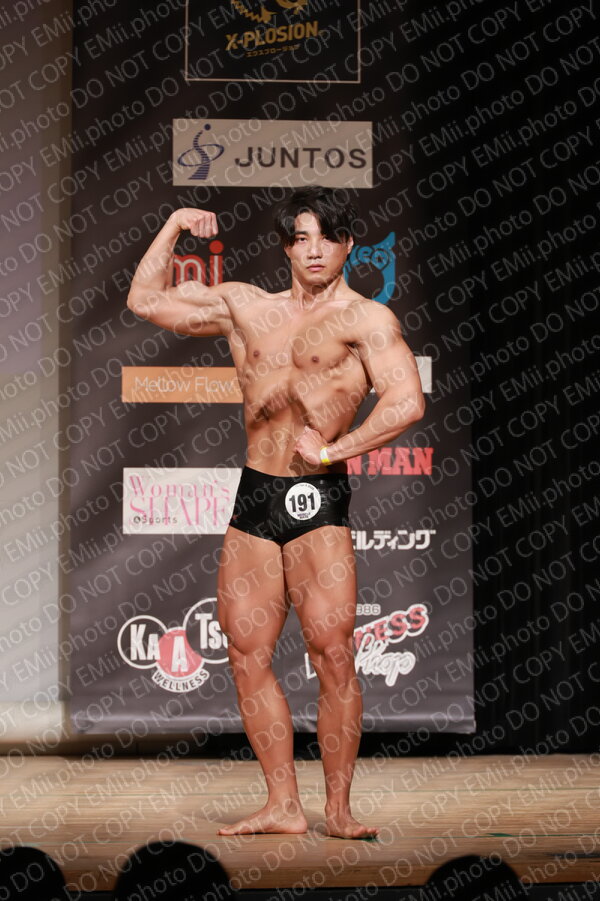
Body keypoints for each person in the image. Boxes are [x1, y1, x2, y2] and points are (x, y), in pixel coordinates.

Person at [127, 186, 425, 838]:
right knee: (245, 652)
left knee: (333, 652)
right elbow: (145, 300)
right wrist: (174, 223)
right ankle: (283, 804)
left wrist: (336, 449)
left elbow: (406, 401)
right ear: (286, 246)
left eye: (328, 237)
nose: (314, 250)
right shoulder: (246, 307)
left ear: (348, 245)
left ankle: (338, 810)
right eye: (301, 237)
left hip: (318, 497)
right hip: (256, 494)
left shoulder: (366, 319)